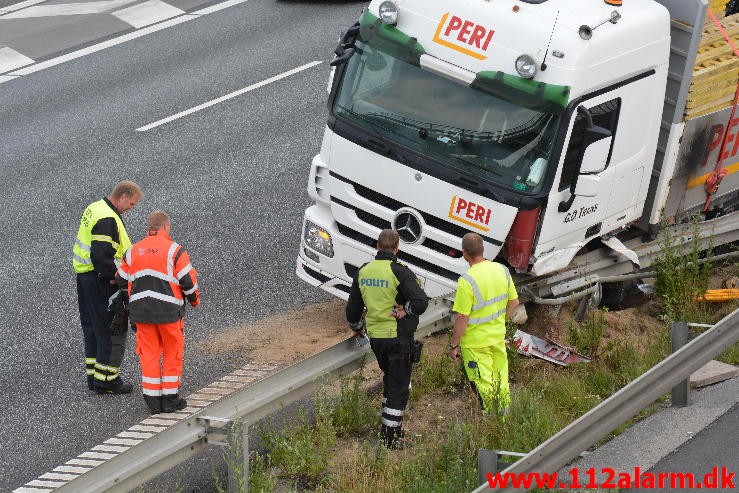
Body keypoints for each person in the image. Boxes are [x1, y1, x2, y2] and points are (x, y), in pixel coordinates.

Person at [346, 229, 428, 449]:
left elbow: (353, 308)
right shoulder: (400, 272)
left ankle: (389, 429)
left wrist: (356, 327)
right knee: (399, 387)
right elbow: (421, 303)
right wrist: (406, 309)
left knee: (391, 381)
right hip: (398, 338)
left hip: (376, 339)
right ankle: (390, 440)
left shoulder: (363, 271)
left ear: (376, 246)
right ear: (396, 249)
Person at [116, 211, 200, 414]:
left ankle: (153, 402)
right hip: (168, 313)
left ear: (149, 228)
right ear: (166, 227)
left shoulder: (132, 251)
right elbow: (188, 282)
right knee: (172, 352)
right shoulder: (175, 250)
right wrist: (194, 300)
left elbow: (120, 279)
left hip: (141, 314)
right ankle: (170, 400)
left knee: (149, 355)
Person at [73, 181, 142, 394]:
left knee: (92, 328)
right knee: (109, 327)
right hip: (99, 280)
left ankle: (94, 377)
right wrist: (116, 277)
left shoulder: (95, 207)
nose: (132, 208)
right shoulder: (108, 218)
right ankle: (107, 380)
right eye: (131, 203)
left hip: (85, 277)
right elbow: (102, 255)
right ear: (122, 196)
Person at [448, 232, 519, 416]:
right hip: (497, 337)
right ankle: (504, 421)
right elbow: (514, 303)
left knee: (483, 385)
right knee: (501, 380)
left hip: (475, 344)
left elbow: (462, 318)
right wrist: (501, 322)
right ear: (483, 249)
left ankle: (492, 423)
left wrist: (454, 345)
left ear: (464, 253)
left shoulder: (467, 281)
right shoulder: (502, 270)